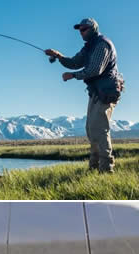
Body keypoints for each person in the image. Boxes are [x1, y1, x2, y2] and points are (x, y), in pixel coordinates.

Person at [45, 18, 124, 173]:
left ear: (93, 29)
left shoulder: (102, 45)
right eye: (80, 30)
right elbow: (74, 62)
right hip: (96, 91)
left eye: (84, 29)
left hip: (107, 92)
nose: (81, 33)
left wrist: (73, 76)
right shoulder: (88, 47)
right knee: (90, 129)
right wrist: (59, 56)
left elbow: (95, 70)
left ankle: (106, 169)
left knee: (99, 129)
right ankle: (94, 168)